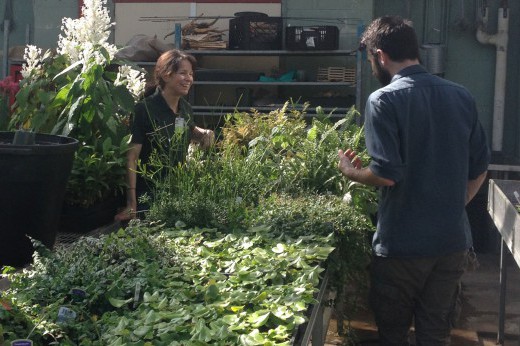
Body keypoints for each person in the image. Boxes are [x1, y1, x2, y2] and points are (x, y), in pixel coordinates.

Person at [337, 16, 490, 345]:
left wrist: (351, 171)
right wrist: (452, 203)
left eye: (370, 60)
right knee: (435, 333)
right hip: (451, 243)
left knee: (392, 333)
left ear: (380, 56)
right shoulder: (461, 96)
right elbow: (480, 168)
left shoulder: (384, 101)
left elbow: (386, 174)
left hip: (402, 246)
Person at [115, 49, 214, 221]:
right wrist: (132, 204)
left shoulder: (185, 108)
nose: (189, 78)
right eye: (183, 73)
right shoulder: (144, 110)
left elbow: (186, 130)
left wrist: (204, 134)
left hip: (178, 190)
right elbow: (131, 157)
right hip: (149, 195)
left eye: (191, 74)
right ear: (166, 75)